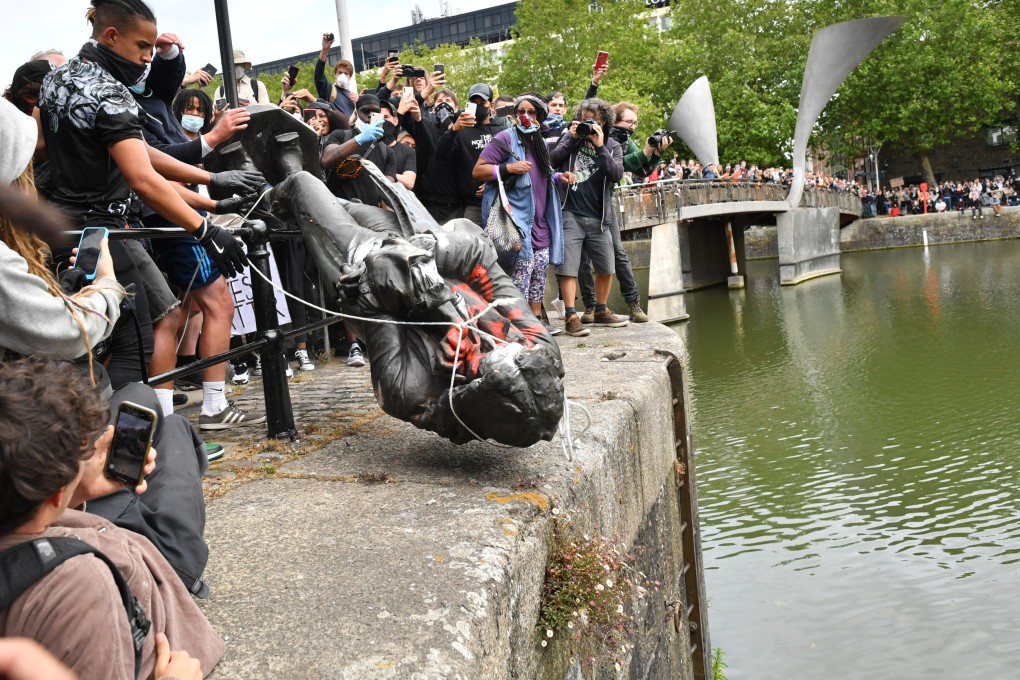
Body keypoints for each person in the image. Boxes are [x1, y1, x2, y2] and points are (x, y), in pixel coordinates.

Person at [37, 0, 255, 392]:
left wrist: (211, 179)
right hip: (103, 230)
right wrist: (206, 230)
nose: (146, 58)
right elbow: (142, 175)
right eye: (142, 47)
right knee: (137, 336)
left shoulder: (57, 79)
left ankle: (142, 429)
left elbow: (133, 150)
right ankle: (134, 439)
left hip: (63, 224)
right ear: (111, 36)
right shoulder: (110, 92)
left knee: (130, 327)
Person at [0, 356, 223, 680]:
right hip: (167, 565)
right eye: (83, 453)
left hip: (90, 524)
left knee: (145, 402)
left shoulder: (21, 516)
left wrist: (78, 492)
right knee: (175, 427)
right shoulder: (81, 588)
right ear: (54, 491)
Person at [132, 36, 265, 430]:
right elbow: (154, 168)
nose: (145, 60)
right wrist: (214, 141)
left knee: (177, 312)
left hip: (177, 214)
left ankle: (169, 413)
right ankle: (210, 405)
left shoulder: (150, 97)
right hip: (168, 219)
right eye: (138, 50)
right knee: (212, 305)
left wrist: (169, 51)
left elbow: (168, 73)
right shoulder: (123, 106)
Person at [474, 93, 575, 337]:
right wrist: (507, 168)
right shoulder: (505, 138)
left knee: (539, 272)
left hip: (540, 220)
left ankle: (537, 323)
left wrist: (559, 177)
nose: (525, 117)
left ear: (540, 116)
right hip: (516, 219)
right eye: (521, 112)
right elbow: (478, 171)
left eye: (531, 112)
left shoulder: (538, 141)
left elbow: (543, 174)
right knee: (521, 273)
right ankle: (517, 326)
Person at [550, 98, 629, 336]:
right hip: (570, 212)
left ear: (604, 121)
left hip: (599, 215)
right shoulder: (570, 138)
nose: (589, 122)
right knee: (568, 268)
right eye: (585, 118)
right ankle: (571, 316)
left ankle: (601, 310)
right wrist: (572, 140)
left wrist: (601, 146)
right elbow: (552, 161)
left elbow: (616, 174)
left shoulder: (613, 145)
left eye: (594, 118)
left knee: (606, 266)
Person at [435, 83, 509, 224]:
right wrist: (453, 130)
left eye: (482, 102)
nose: (479, 106)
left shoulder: (502, 130)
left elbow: (512, 162)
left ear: (491, 106)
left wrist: (493, 183)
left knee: (506, 244)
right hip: (472, 205)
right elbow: (440, 155)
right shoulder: (461, 130)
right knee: (473, 243)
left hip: (501, 199)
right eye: (474, 103)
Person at [320, 93, 395, 207]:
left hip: (370, 216)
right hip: (338, 211)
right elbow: (326, 159)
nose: (370, 115)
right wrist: (360, 139)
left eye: (375, 111)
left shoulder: (387, 152)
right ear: (356, 113)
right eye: (365, 111)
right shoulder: (340, 136)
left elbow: (388, 192)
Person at [314, 33, 357, 117]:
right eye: (340, 73)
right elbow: (318, 76)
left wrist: (359, 102)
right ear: (335, 74)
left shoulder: (352, 97)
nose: (343, 76)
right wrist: (325, 50)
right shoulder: (329, 90)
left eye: (346, 73)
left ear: (350, 77)